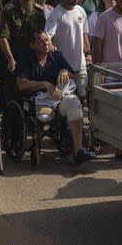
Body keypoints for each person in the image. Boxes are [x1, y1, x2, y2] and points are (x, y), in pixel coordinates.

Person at [15, 30, 96, 164]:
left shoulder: (56, 55)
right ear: (32, 45)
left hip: (59, 98)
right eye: (41, 41)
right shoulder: (26, 58)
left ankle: (78, 150)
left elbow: (70, 73)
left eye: (47, 40)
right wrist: (45, 84)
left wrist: (65, 71)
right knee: (46, 117)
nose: (45, 43)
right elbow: (21, 84)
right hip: (38, 101)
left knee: (74, 103)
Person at [0, 0, 46, 106]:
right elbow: (3, 37)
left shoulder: (39, 12)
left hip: (31, 63)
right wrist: (10, 59)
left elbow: (42, 37)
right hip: (13, 61)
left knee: (31, 103)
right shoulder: (9, 10)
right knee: (11, 102)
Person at [45, 0, 91, 98]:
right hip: (63, 68)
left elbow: (84, 33)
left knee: (83, 97)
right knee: (65, 99)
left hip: (80, 65)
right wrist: (50, 45)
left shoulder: (81, 10)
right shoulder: (56, 13)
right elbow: (47, 36)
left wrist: (88, 53)